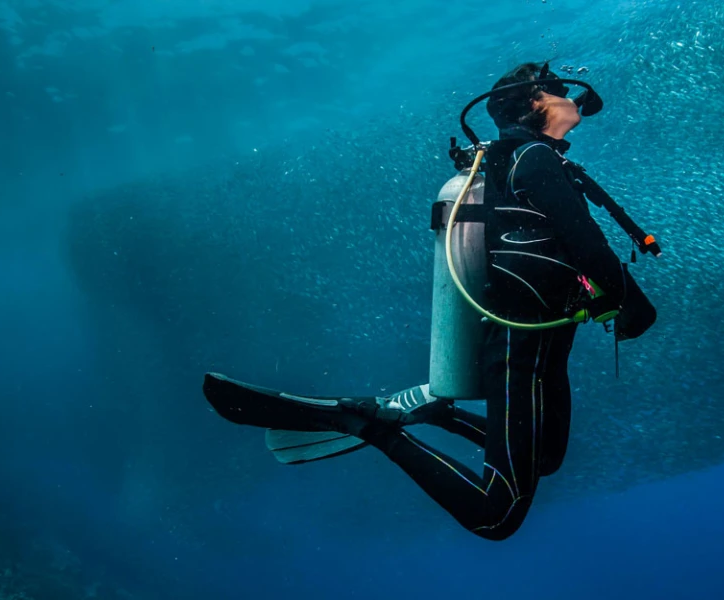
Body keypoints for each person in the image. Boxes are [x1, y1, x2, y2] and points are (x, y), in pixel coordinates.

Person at [203, 62, 657, 541]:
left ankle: (440, 413)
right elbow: (589, 249)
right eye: (558, 88)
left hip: (539, 345)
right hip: (522, 352)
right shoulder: (535, 159)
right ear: (535, 100)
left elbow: (569, 249)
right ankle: (368, 427)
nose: (569, 94)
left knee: (547, 458)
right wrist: (634, 303)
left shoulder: (523, 158)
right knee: (496, 515)